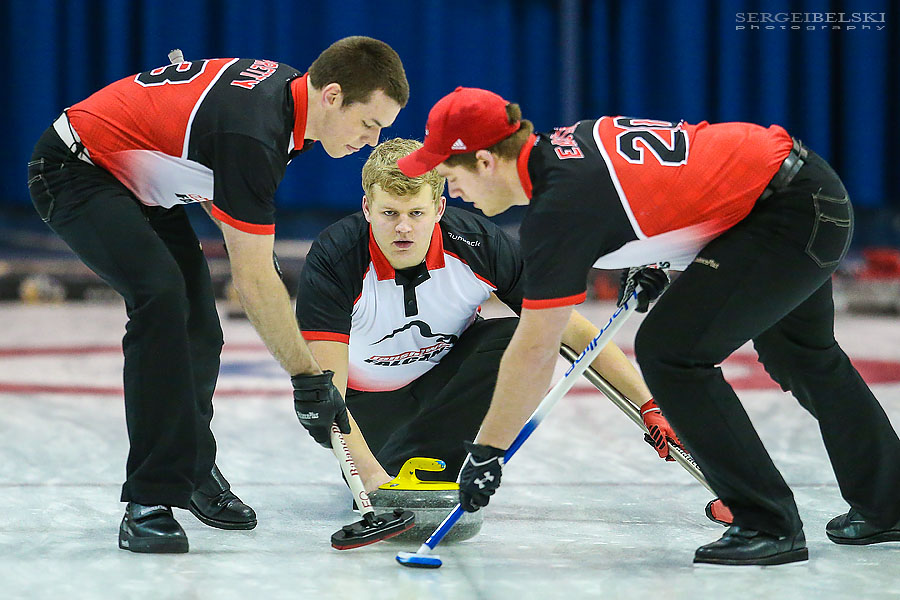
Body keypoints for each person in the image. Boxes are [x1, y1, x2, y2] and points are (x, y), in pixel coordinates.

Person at [397, 87, 900, 566]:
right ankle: (888, 505)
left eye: (448, 174)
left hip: (786, 214)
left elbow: (535, 348)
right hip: (805, 192)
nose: (451, 190)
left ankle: (767, 524)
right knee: (801, 353)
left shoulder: (558, 212)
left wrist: (487, 452)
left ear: (485, 161)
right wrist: (659, 253)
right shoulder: (570, 144)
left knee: (670, 351)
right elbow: (669, 181)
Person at [26, 36, 408, 554]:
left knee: (200, 328)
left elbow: (211, 170)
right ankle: (150, 499)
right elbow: (251, 280)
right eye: (370, 124)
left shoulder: (289, 99)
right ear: (333, 96)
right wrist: (307, 378)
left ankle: (191, 465)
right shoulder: (255, 133)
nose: (371, 138)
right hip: (78, 170)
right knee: (161, 299)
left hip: (143, 182)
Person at [295, 137, 682, 495]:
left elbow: (572, 330)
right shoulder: (336, 257)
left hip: (448, 389)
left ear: (439, 208)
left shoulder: (479, 244)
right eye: (389, 213)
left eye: (416, 212)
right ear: (367, 208)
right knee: (376, 465)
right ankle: (397, 463)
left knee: (527, 334)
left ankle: (433, 461)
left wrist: (649, 404)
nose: (403, 228)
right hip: (369, 407)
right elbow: (326, 388)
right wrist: (373, 481)